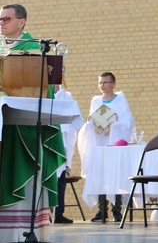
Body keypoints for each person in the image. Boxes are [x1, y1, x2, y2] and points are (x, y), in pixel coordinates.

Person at [0, 4, 66, 241]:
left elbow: (45, 86)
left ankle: (20, 231)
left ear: (22, 22)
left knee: (22, 171)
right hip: (3, 124)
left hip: (24, 126)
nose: (1, 23)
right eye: (0, 19)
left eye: (6, 19)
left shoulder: (34, 49)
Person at [77, 71, 134, 222]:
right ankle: (102, 210)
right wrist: (93, 124)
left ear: (113, 84)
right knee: (100, 175)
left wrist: (112, 124)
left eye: (105, 82)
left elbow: (127, 123)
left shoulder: (121, 100)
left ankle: (117, 210)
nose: (102, 85)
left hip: (114, 144)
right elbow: (92, 120)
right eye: (100, 82)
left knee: (116, 174)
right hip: (99, 144)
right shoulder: (96, 101)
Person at [53, 84, 82, 224]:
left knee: (60, 180)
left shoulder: (67, 96)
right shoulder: (41, 93)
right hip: (47, 139)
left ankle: (58, 213)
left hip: (62, 142)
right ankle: (45, 213)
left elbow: (73, 125)